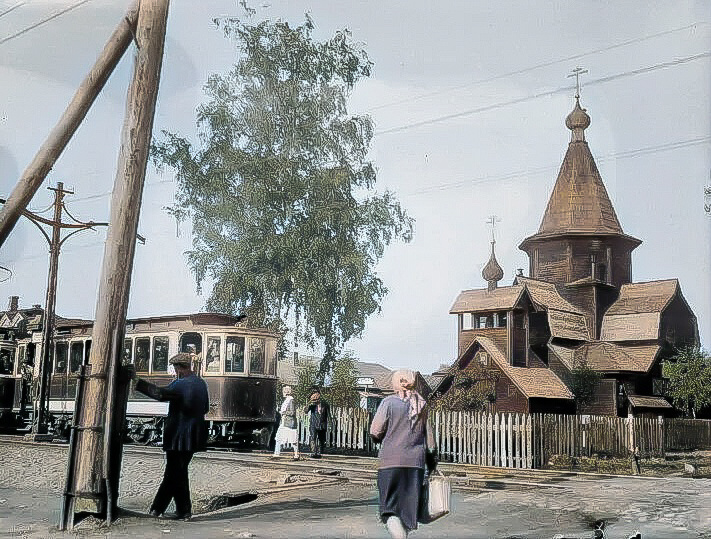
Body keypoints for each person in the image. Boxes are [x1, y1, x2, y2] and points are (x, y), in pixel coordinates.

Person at [134, 352, 209, 520]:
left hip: (178, 435)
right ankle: (183, 511)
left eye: (175, 369)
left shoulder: (180, 384)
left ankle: (157, 510)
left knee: (173, 473)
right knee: (179, 472)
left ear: (179, 368)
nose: (175, 372)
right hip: (195, 435)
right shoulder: (201, 383)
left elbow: (160, 394)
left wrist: (137, 383)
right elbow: (205, 408)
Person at [370, 369, 437, 539]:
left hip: (390, 464)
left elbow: (375, 431)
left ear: (396, 383)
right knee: (406, 514)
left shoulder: (388, 402)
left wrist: (380, 437)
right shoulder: (421, 404)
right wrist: (432, 463)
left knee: (390, 510)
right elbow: (430, 440)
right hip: (415, 465)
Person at [273, 385, 299, 460]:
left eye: (284, 391)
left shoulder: (291, 400)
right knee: (278, 437)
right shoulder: (286, 400)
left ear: (287, 392)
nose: (283, 393)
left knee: (293, 440)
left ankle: (296, 454)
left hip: (289, 423)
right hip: (284, 422)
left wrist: (284, 412)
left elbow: (292, 412)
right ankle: (276, 453)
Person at [305, 386, 330, 458]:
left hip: (322, 424)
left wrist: (329, 424)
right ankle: (313, 452)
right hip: (313, 423)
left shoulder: (325, 404)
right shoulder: (312, 405)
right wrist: (309, 402)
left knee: (321, 439)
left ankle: (320, 452)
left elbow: (328, 415)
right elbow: (306, 411)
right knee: (313, 438)